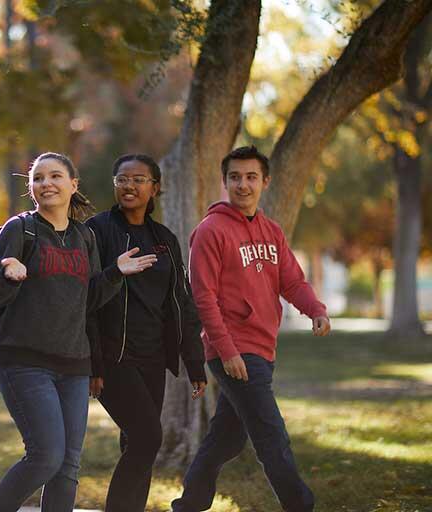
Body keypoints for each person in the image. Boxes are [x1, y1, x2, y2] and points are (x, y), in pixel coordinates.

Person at [0, 152, 157, 512]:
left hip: (74, 366)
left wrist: (114, 273)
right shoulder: (20, 228)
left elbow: (87, 300)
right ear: (31, 187)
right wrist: (7, 275)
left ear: (73, 185)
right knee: (46, 456)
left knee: (67, 467)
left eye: (55, 176)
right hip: (24, 361)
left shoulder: (83, 237)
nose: (47, 184)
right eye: (39, 178)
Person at [171, 146, 331, 512]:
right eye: (235, 177)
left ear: (265, 182)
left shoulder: (271, 231)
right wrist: (226, 351)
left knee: (226, 440)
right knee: (271, 435)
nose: (243, 185)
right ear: (225, 182)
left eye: (251, 177)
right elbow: (203, 298)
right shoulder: (210, 231)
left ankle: (189, 505)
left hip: (262, 347)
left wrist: (315, 310)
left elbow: (292, 281)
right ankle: (300, 505)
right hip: (233, 349)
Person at [85, 154, 207, 512]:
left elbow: (181, 302)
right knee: (148, 437)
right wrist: (94, 363)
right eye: (122, 179)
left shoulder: (165, 239)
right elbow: (86, 298)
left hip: (153, 358)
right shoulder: (97, 230)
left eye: (139, 180)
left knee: (136, 444)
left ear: (155, 188)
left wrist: (194, 362)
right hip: (113, 357)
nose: (129, 186)